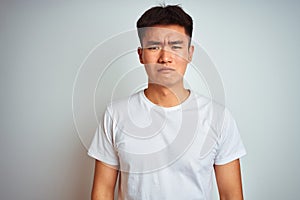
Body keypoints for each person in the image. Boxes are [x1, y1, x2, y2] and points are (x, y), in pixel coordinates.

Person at [88, 4, 246, 200]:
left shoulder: (218, 118)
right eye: (154, 47)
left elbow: (231, 195)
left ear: (190, 53)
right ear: (141, 54)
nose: (165, 57)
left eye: (176, 46)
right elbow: (102, 191)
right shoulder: (116, 115)